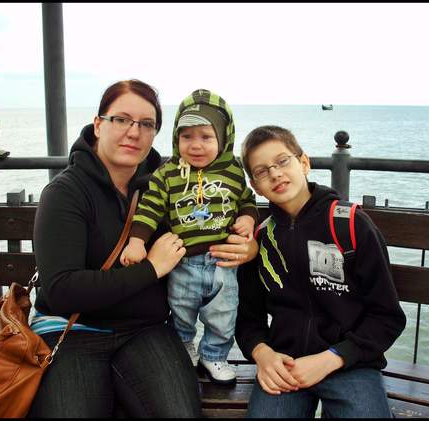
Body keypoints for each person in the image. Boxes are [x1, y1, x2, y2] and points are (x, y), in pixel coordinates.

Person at [28, 80, 258, 418]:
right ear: (98, 124)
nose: (133, 132)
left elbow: (224, 218)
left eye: (146, 124)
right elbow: (62, 291)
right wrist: (150, 269)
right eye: (121, 119)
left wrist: (248, 249)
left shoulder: (168, 180)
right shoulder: (66, 192)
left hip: (145, 329)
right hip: (73, 329)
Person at [235, 125, 406, 418]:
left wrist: (332, 358)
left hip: (349, 363)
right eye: (262, 171)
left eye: (282, 161)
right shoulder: (261, 239)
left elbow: (387, 317)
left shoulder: (351, 225)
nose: (275, 174)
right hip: (285, 363)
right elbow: (249, 321)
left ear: (304, 163)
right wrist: (262, 354)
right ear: (255, 186)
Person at [120, 89, 259, 384]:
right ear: (176, 138)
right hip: (183, 261)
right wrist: (136, 241)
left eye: (206, 137)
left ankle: (214, 355)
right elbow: (149, 208)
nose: (196, 145)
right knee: (181, 310)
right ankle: (184, 347)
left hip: (223, 262)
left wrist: (247, 218)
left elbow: (247, 200)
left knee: (223, 314)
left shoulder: (233, 171)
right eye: (187, 137)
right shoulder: (167, 174)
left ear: (223, 138)